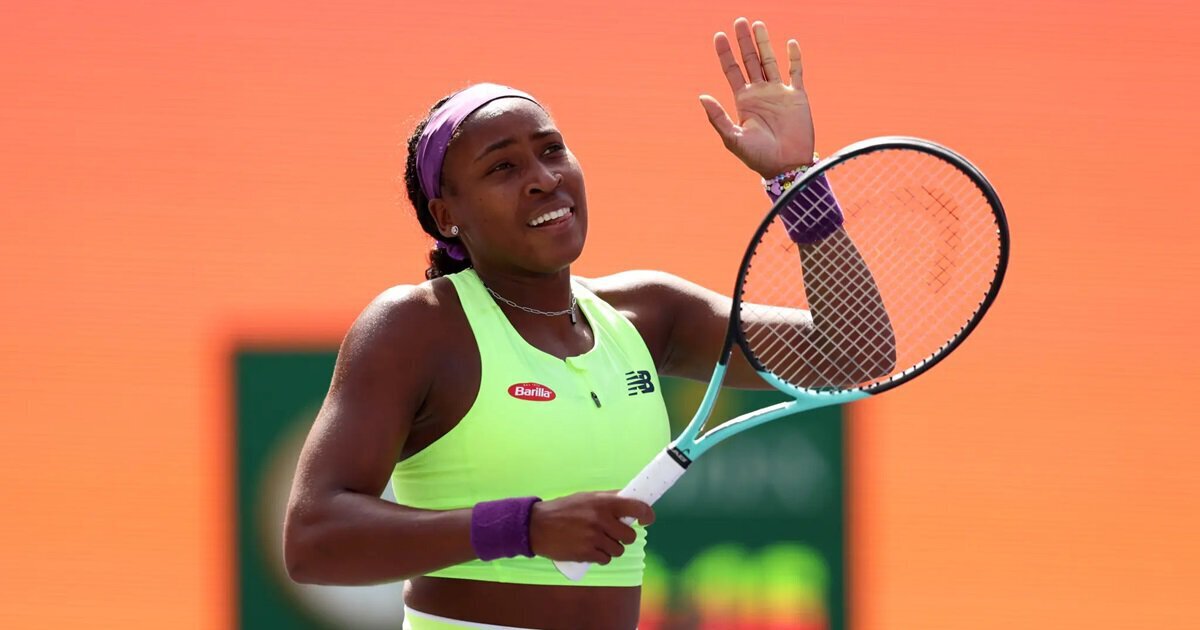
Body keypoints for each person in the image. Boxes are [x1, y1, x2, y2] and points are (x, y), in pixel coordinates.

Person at [284, 17, 887, 630]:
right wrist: (523, 527)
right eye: (502, 168)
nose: (544, 179)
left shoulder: (649, 313)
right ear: (446, 216)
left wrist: (796, 181)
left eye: (551, 150)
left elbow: (855, 353)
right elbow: (312, 538)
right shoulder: (416, 327)